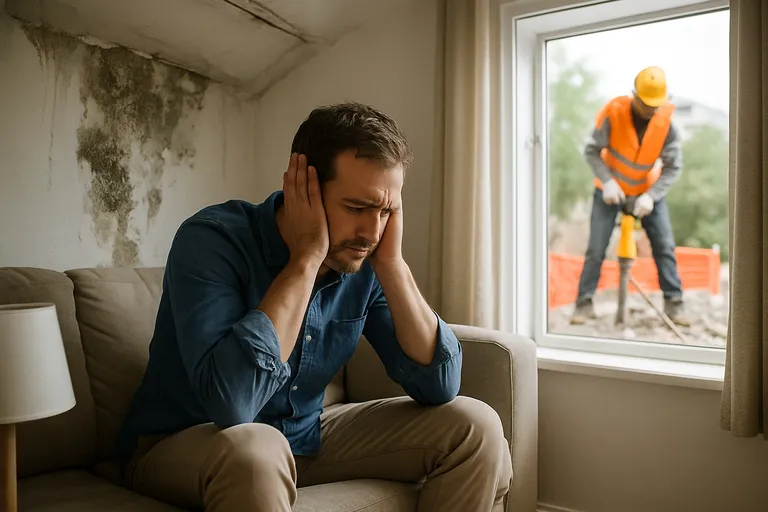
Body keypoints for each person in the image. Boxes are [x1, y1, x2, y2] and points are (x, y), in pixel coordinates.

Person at [115, 102, 512, 511]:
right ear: (301, 188)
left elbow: (440, 385)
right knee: (256, 446)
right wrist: (305, 259)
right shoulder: (212, 240)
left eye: (386, 211)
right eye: (357, 208)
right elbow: (233, 403)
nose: (372, 231)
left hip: (304, 438)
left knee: (475, 425)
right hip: (185, 444)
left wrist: (392, 264)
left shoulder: (365, 258)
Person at [571, 66, 691, 327]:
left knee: (664, 246)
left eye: (654, 105)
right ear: (634, 95)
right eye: (646, 104)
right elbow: (591, 150)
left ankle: (674, 304)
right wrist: (607, 181)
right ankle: (583, 303)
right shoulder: (614, 113)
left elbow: (673, 167)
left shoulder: (667, 125)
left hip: (646, 193)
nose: (650, 110)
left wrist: (652, 195)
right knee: (596, 248)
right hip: (610, 191)